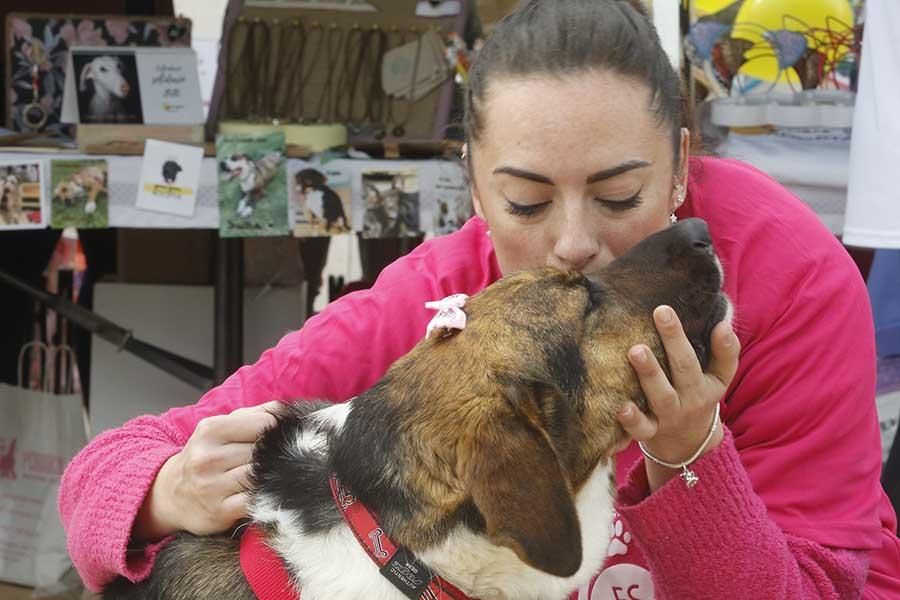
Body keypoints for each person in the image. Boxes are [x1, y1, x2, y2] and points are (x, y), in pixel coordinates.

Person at [59, 1, 900, 598]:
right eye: (527, 203)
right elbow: (106, 468)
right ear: (474, 186)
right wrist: (167, 486)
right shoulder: (448, 300)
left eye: (618, 197)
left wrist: (688, 459)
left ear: (681, 163)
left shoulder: (789, 276)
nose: (572, 241)